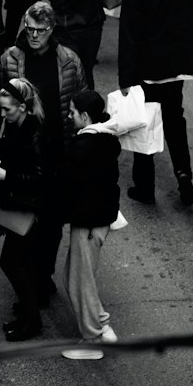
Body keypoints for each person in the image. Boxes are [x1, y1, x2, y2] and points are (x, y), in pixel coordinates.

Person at [0, 2, 86, 310]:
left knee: (53, 222)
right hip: (24, 153)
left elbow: (82, 105)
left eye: (40, 30)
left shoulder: (69, 61)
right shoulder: (10, 60)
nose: (34, 35)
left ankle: (43, 275)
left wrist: (82, 152)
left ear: (51, 29)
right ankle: (29, 284)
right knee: (24, 221)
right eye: (29, 28)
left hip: (59, 154)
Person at [117, 0, 193, 207]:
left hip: (149, 72)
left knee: (146, 125)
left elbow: (128, 36)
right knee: (175, 121)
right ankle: (183, 174)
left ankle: (145, 186)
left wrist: (125, 78)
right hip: (177, 68)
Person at [0, 77, 50, 341]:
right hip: (19, 206)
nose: (2, 114)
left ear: (22, 107)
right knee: (21, 262)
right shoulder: (17, 126)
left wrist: (6, 175)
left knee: (11, 262)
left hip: (29, 209)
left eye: (7, 109)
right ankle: (27, 313)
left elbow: (40, 177)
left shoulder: (34, 133)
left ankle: (32, 320)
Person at [60, 89, 121, 359]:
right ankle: (100, 323)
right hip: (99, 220)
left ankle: (92, 340)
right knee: (76, 276)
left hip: (87, 222)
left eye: (72, 112)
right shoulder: (105, 141)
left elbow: (66, 182)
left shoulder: (82, 147)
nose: (69, 116)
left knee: (79, 280)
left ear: (85, 117)